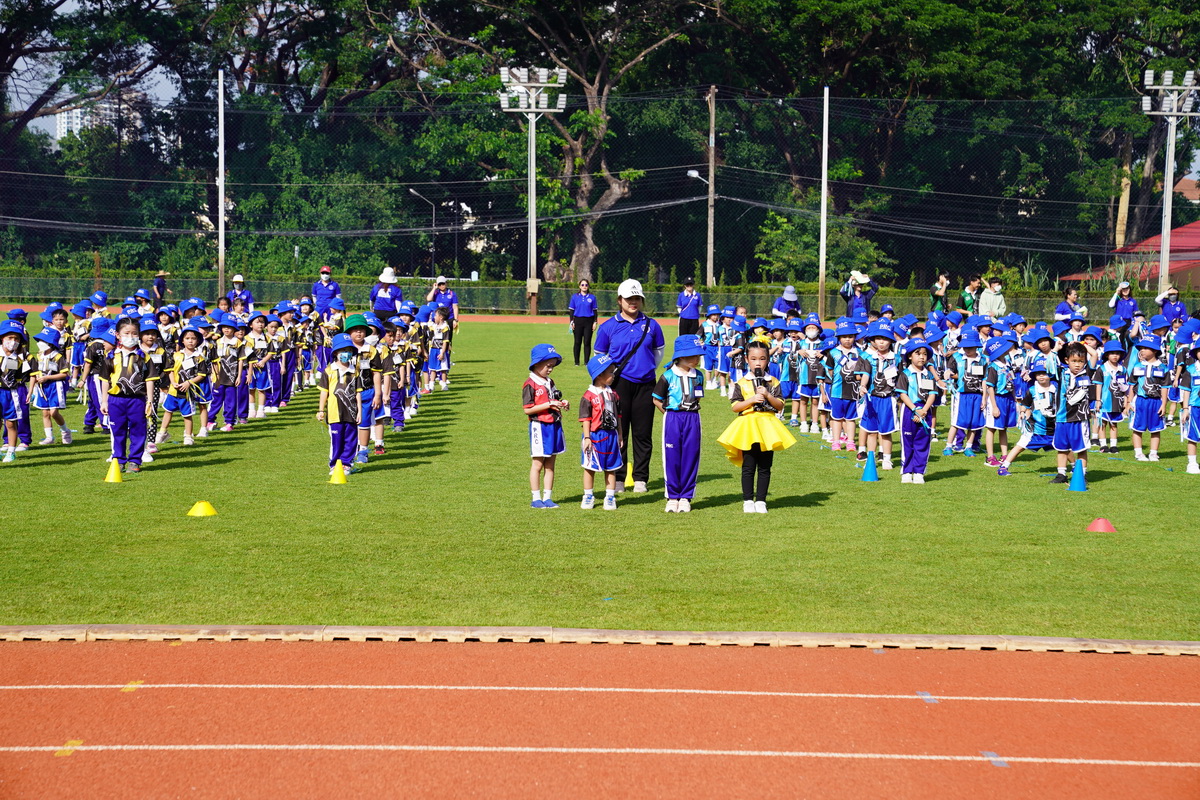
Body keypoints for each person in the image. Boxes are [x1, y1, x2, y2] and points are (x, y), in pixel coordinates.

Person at [593, 279, 666, 494]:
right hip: (618, 384)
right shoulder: (608, 326)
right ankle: (618, 478)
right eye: (629, 298)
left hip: (646, 384)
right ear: (619, 300)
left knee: (643, 434)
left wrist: (644, 368)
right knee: (619, 432)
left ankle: (641, 478)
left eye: (637, 298)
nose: (633, 302)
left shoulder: (652, 325)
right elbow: (600, 356)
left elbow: (658, 352)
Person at [717, 340, 796, 513]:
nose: (758, 363)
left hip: (768, 428)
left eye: (762, 359)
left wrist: (767, 394)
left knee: (765, 466)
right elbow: (735, 406)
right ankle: (747, 500)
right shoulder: (742, 382)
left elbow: (780, 405)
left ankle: (761, 500)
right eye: (753, 359)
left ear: (768, 360)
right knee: (748, 465)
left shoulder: (773, 381)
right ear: (747, 360)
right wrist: (752, 400)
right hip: (748, 428)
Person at [653, 335, 706, 512]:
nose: (697, 359)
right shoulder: (668, 376)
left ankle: (686, 497)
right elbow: (656, 399)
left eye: (698, 355)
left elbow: (698, 397)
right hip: (673, 418)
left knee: (691, 456)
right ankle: (672, 496)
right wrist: (669, 414)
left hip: (693, 418)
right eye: (693, 355)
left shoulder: (698, 376)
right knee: (672, 457)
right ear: (682, 356)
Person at [100, 316, 155, 473]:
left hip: (137, 400)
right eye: (126, 333)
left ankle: (135, 461)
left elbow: (150, 379)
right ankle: (119, 460)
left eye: (134, 333)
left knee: (138, 430)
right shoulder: (111, 356)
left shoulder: (144, 357)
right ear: (118, 335)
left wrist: (150, 401)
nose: (130, 337)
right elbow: (105, 380)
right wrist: (104, 401)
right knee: (118, 431)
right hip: (115, 400)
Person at [523, 343, 568, 508]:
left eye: (552, 366)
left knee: (550, 464)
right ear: (537, 364)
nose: (550, 369)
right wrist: (549, 404)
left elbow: (554, 398)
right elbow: (527, 409)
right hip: (539, 426)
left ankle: (548, 497)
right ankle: (536, 498)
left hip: (554, 425)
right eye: (548, 365)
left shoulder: (550, 382)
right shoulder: (530, 384)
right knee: (538, 464)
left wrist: (562, 403)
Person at [996, 358, 1058, 476]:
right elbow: (1024, 404)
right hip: (1035, 428)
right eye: (1038, 374)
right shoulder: (1032, 390)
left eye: (1044, 373)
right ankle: (1004, 466)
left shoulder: (1057, 388)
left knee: (1063, 448)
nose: (1041, 376)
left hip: (1053, 428)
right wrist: (1022, 413)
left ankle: (1074, 467)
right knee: (1020, 446)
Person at [578, 353, 622, 511]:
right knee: (590, 467)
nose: (613, 375)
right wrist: (587, 437)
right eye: (610, 372)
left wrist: (620, 434)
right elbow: (585, 419)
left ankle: (610, 497)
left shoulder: (614, 394)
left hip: (611, 436)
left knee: (611, 467)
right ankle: (588, 495)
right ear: (599, 375)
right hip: (595, 436)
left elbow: (619, 416)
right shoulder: (588, 396)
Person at [316, 333, 363, 477]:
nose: (346, 354)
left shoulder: (355, 371)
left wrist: (359, 412)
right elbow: (324, 392)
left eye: (348, 350)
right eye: (343, 350)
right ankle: (334, 465)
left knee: (351, 439)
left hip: (351, 412)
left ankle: (346, 464)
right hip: (334, 413)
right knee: (336, 440)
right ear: (335, 352)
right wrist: (321, 410)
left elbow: (358, 393)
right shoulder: (328, 371)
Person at [855, 322, 900, 469]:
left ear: (891, 341)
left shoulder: (896, 358)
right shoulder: (868, 357)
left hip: (888, 399)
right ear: (873, 340)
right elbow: (865, 374)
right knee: (871, 431)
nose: (881, 342)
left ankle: (886, 459)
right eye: (878, 338)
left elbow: (901, 379)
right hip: (871, 398)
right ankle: (871, 459)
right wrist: (863, 386)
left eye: (885, 339)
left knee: (886, 432)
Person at [157, 325, 208, 447]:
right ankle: (163, 432)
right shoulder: (176, 355)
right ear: (182, 341)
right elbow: (170, 370)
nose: (190, 341)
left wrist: (188, 383)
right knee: (168, 411)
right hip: (173, 391)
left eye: (193, 338)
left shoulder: (199, 358)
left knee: (187, 415)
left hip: (187, 393)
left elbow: (202, 375)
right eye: (187, 338)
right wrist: (172, 382)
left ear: (198, 341)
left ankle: (188, 436)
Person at [1050, 341, 1093, 482]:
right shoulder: (1062, 373)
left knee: (1081, 448)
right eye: (1074, 361)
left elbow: (1095, 354)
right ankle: (1061, 474)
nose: (1077, 365)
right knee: (1061, 448)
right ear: (1066, 360)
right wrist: (1056, 348)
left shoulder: (1087, 373)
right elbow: (1049, 362)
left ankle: (1082, 475)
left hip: (1079, 419)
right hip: (1062, 417)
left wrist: (1082, 343)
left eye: (1081, 361)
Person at [821, 320, 863, 452]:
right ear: (839, 338)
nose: (847, 339)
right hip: (836, 391)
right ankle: (836, 441)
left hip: (853, 392)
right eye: (844, 336)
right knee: (837, 418)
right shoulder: (833, 352)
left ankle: (850, 442)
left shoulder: (859, 352)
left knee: (851, 419)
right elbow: (830, 370)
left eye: (850, 336)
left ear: (855, 337)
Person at [944, 330, 986, 457]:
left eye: (970, 347)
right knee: (956, 421)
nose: (967, 350)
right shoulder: (957, 357)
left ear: (976, 346)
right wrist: (948, 373)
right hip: (961, 394)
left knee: (974, 423)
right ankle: (948, 446)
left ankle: (969, 446)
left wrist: (984, 398)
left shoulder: (983, 360)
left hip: (977, 395)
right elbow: (950, 370)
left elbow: (984, 380)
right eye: (965, 347)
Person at [1127, 335, 1169, 462]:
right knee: (1137, 428)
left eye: (1146, 348)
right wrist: (1129, 402)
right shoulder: (1137, 366)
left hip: (1156, 402)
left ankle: (1153, 453)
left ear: (1155, 350)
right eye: (1141, 348)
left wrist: (1163, 404)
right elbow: (1132, 385)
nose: (1142, 350)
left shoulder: (1163, 367)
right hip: (1140, 401)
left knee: (1155, 429)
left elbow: (1165, 387)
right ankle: (1138, 453)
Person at [29, 327, 71, 446]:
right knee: (45, 413)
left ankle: (65, 431)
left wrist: (47, 378)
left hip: (55, 386)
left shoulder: (57, 357)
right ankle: (49, 437)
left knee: (54, 412)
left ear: (50, 344)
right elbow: (37, 370)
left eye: (44, 341)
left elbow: (64, 374)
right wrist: (37, 379)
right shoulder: (39, 355)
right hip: (42, 387)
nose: (40, 343)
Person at [982, 337, 1017, 465]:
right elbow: (990, 387)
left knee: (1003, 428)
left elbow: (1012, 381)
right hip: (997, 399)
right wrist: (994, 406)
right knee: (992, 428)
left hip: (1008, 399)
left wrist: (1015, 399)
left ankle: (1004, 455)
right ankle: (990, 457)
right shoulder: (993, 367)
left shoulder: (1008, 363)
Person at [1, 321, 32, 463]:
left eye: (16, 338)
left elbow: (17, 377)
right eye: (10, 338)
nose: (13, 341)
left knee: (10, 423)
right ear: (2, 338)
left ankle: (11, 451)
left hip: (10, 393)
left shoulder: (18, 358)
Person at [1094, 340, 1129, 454]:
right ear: (1107, 355)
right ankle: (1103, 444)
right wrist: (1098, 400)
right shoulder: (1102, 369)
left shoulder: (1123, 369)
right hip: (1104, 401)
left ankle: (1114, 445)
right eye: (1112, 353)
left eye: (1117, 353)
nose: (1115, 356)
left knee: (1114, 423)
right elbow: (1098, 385)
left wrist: (1126, 400)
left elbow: (1125, 387)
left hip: (1117, 401)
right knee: (1102, 423)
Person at [1180, 339, 1200, 474]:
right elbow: (1186, 391)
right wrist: (1185, 409)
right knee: (1193, 436)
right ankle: (1192, 463)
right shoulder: (1191, 370)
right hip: (1194, 407)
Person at [568, 279, 598, 366]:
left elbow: (595, 311)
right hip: (578, 321)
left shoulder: (592, 297)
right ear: (579, 286)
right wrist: (571, 322)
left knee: (587, 342)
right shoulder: (575, 297)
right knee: (577, 342)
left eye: (586, 285)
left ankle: (586, 362)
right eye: (582, 285)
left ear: (588, 286)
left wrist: (595, 322)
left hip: (589, 321)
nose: (584, 286)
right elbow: (571, 311)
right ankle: (576, 362)